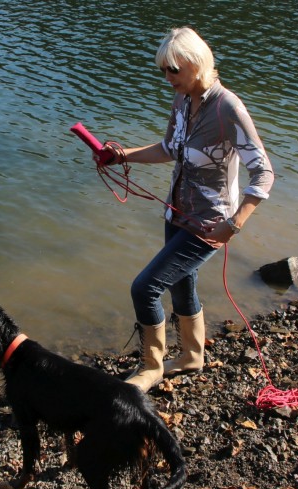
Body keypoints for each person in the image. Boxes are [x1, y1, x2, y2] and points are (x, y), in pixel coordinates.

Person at [99, 27, 275, 392]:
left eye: (173, 69)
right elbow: (168, 148)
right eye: (163, 70)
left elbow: (264, 171)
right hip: (177, 213)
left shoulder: (228, 108)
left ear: (197, 63)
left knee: (145, 288)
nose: (167, 77)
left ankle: (152, 367)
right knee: (182, 284)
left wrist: (234, 224)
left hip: (210, 223)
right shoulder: (182, 100)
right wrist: (122, 156)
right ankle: (192, 357)